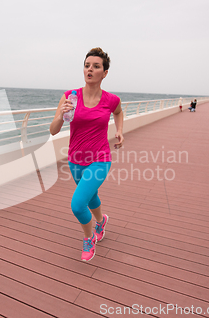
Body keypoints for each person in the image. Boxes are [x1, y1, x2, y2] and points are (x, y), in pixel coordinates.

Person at [50, 47, 124, 262]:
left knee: (78, 204)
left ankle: (89, 237)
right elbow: (53, 130)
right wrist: (61, 115)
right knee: (91, 196)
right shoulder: (70, 97)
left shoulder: (111, 100)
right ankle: (101, 222)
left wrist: (119, 130)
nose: (90, 69)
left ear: (105, 72)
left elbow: (119, 112)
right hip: (75, 160)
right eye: (87, 65)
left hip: (100, 159)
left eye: (96, 66)